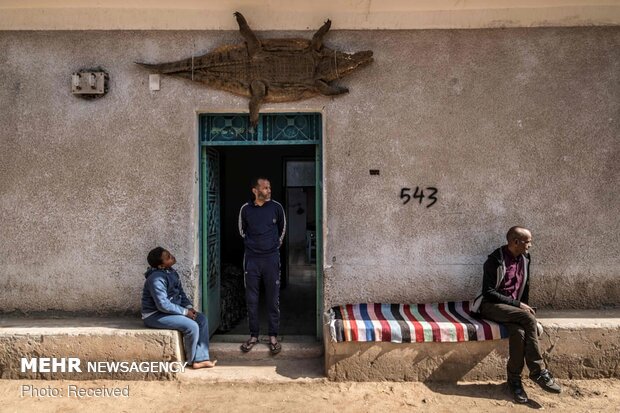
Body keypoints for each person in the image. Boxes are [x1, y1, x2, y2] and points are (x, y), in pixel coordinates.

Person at [472, 226, 561, 403]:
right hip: (491, 306)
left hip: (513, 311)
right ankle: (538, 371)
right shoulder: (495, 260)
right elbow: (488, 292)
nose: (530, 245)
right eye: (527, 242)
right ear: (515, 242)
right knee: (528, 319)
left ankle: (514, 382)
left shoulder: (525, 258)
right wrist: (518, 305)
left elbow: (525, 286)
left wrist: (523, 305)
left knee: (519, 333)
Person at [141, 247, 217, 369]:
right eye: (168, 258)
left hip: (170, 312)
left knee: (201, 319)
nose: (172, 257)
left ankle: (202, 358)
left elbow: (180, 293)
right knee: (191, 326)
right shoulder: (155, 279)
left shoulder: (171, 272)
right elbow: (163, 305)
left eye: (169, 254)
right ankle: (192, 360)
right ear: (161, 265)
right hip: (155, 315)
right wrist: (185, 312)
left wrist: (189, 307)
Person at [238, 177, 286, 354]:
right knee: (252, 299)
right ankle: (253, 335)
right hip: (252, 260)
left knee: (273, 299)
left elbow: (282, 228)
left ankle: (273, 336)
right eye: (265, 188)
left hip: (271, 259)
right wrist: (253, 245)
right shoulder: (246, 209)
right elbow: (242, 231)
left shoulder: (276, 208)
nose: (268, 190)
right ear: (255, 190)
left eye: (269, 187)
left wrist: (274, 244)